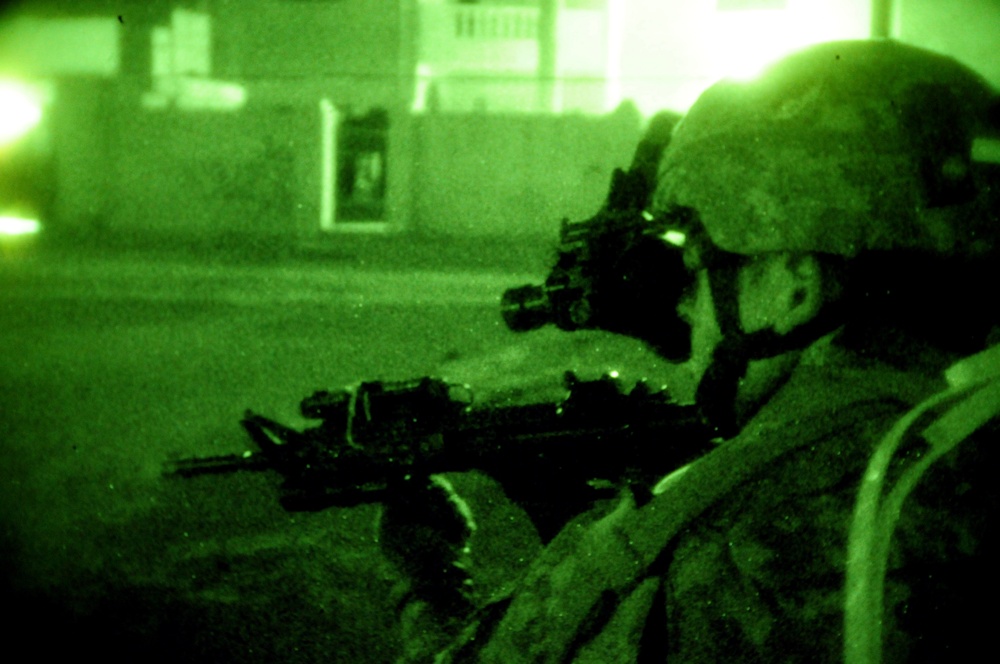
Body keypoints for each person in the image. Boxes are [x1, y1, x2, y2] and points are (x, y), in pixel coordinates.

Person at [385, 39, 1000, 663]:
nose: (685, 307)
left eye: (698, 267)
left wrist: (430, 582)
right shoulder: (966, 432)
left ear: (794, 287)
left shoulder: (738, 552)